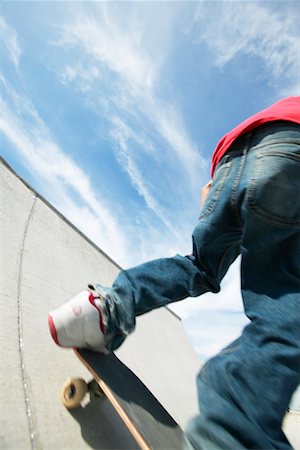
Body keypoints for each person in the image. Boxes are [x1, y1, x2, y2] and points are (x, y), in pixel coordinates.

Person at [48, 96, 300, 449]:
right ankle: (236, 430)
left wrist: (221, 192)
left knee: (199, 267)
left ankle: (106, 308)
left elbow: (232, 172)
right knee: (285, 308)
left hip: (229, 164)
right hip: (291, 159)